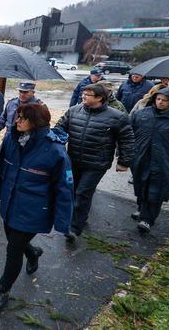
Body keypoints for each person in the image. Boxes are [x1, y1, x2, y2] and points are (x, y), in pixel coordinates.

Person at [0, 103, 73, 312]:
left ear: (36, 122)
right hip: (10, 203)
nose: (17, 121)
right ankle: (33, 253)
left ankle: (3, 290)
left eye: (22, 118)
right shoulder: (11, 139)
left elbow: (65, 188)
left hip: (33, 210)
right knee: (14, 239)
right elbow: (0, 169)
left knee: (13, 248)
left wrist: (63, 221)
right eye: (17, 117)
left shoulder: (55, 151)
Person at [55, 83, 134, 242]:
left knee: (82, 193)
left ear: (99, 98)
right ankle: (79, 217)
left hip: (97, 163)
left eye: (87, 94)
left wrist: (124, 161)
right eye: (83, 93)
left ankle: (74, 228)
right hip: (73, 160)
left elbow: (127, 139)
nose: (83, 96)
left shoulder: (116, 116)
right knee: (73, 191)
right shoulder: (74, 111)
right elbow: (59, 130)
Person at [129, 88, 169, 233]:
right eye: (158, 99)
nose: (160, 102)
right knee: (141, 185)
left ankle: (147, 219)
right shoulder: (142, 114)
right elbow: (129, 134)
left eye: (165, 100)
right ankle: (141, 209)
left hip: (164, 161)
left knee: (157, 190)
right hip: (141, 157)